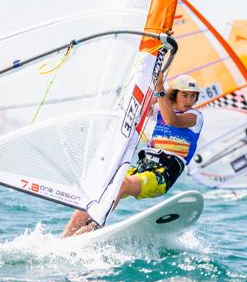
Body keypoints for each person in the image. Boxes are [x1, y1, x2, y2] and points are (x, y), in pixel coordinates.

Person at [62, 72, 203, 237]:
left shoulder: (195, 117)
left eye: (193, 96)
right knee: (101, 185)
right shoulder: (160, 108)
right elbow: (141, 108)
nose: (189, 101)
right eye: (184, 95)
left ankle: (92, 229)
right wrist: (150, 82)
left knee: (120, 185)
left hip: (163, 175)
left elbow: (172, 120)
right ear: (174, 95)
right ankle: (66, 235)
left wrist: (160, 89)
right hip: (144, 167)